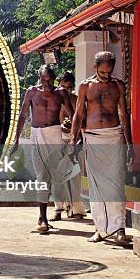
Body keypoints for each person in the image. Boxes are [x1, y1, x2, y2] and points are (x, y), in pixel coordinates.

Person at [71, 51, 133, 245]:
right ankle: (100, 229)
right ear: (95, 67)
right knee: (96, 187)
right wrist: (73, 141)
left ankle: (120, 228)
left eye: (109, 72)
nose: (106, 75)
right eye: (103, 71)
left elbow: (124, 115)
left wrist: (130, 144)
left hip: (114, 136)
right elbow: (78, 114)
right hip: (92, 138)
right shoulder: (85, 86)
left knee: (115, 183)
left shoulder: (118, 86)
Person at [12, 64, 74, 233]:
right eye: (43, 79)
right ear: (39, 78)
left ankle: (59, 209)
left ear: (54, 78)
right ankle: (42, 217)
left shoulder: (60, 93)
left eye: (50, 79)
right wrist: (16, 139)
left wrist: (76, 136)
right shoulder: (32, 92)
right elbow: (23, 115)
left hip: (54, 135)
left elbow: (73, 114)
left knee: (55, 175)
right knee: (42, 176)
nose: (46, 83)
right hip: (37, 135)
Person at [51, 72, 87, 221]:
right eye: (63, 87)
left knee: (74, 175)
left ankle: (76, 209)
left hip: (75, 141)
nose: (66, 90)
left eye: (69, 87)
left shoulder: (77, 101)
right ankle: (58, 209)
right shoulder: (53, 101)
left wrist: (73, 129)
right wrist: (61, 126)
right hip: (57, 140)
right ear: (58, 85)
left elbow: (83, 122)